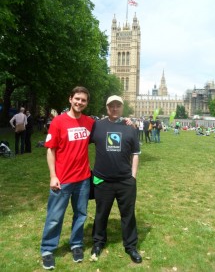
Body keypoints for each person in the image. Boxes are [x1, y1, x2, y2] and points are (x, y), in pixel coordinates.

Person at [40, 86, 95, 270]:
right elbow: (50, 150)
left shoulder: (89, 122)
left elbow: (105, 130)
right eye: (77, 99)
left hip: (83, 179)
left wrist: (125, 122)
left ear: (87, 103)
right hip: (62, 180)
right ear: (70, 99)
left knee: (81, 215)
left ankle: (76, 244)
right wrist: (53, 175)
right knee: (55, 217)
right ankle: (48, 249)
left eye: (83, 100)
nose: (80, 102)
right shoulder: (58, 121)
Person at [90, 95, 142, 264]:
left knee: (128, 214)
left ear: (122, 108)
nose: (114, 108)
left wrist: (133, 176)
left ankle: (131, 246)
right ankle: (98, 242)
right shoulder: (97, 126)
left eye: (117, 106)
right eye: (111, 106)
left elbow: (135, 153)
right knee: (101, 213)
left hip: (125, 181)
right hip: (102, 180)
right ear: (107, 108)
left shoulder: (130, 128)